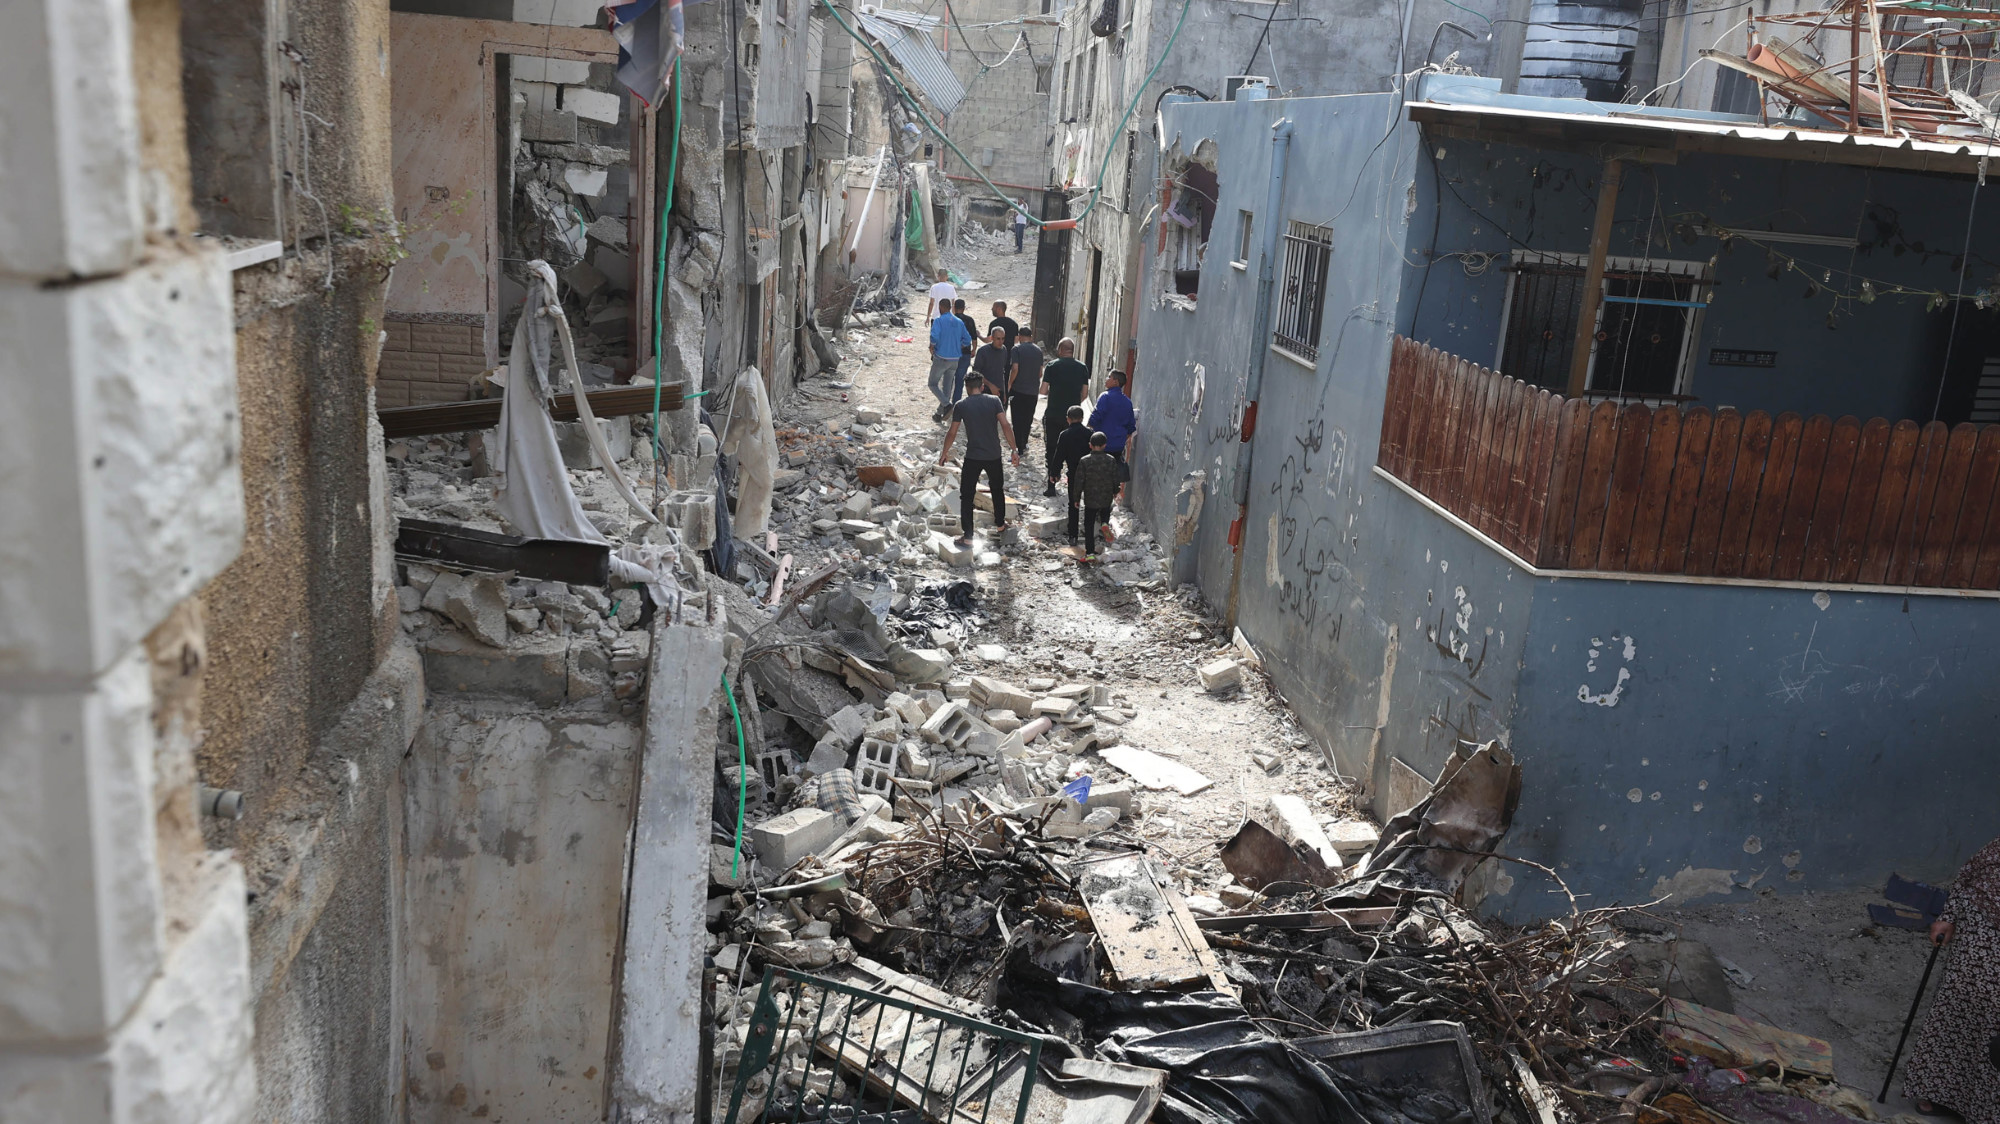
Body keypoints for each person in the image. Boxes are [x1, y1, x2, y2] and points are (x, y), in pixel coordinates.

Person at [1903, 836, 2000, 1123]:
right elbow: (1973, 871)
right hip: (1981, 929)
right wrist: (1949, 916)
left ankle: (1984, 1109)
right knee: (1958, 1007)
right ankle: (1940, 1091)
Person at [937, 373, 1019, 545]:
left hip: (973, 456)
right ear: (982, 386)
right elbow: (1005, 425)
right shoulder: (994, 401)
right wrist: (1014, 449)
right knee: (997, 490)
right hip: (994, 455)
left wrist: (944, 452)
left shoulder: (961, 405)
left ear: (967, 389)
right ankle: (1000, 526)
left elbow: (952, 432)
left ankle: (968, 537)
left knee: (967, 496)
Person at [1040, 337, 1091, 496]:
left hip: (1054, 414)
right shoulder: (1082, 368)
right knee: (1073, 450)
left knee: (1052, 449)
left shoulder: (1052, 366)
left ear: (1060, 349)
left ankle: (1051, 485)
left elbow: (1042, 390)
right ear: (1072, 350)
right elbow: (1084, 395)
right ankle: (1073, 488)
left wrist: (1055, 394)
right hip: (1073, 417)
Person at [1090, 370, 1137, 500]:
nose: (1106, 379)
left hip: (1102, 445)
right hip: (1117, 446)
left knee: (1098, 475)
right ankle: (1108, 502)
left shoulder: (1105, 397)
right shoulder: (1127, 402)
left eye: (1109, 377)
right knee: (1112, 475)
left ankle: (1096, 502)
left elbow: (1095, 418)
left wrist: (1093, 431)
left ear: (1115, 381)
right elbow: (1131, 426)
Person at [1076, 432, 1123, 560]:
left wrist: (1076, 498)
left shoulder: (1084, 461)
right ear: (1105, 445)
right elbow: (1115, 478)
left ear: (1090, 445)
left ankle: (1090, 552)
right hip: (1106, 495)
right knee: (1105, 511)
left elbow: (1079, 481)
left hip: (1090, 497)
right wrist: (1115, 491)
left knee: (1089, 524)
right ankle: (1104, 523)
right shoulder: (1111, 460)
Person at [1052, 405, 1093, 543]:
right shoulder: (1089, 434)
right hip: (1088, 474)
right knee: (1089, 503)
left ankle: (1073, 535)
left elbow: (1059, 456)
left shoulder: (1064, 435)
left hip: (1074, 474)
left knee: (1073, 503)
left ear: (1068, 419)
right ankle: (1089, 533)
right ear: (1082, 418)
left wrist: (1055, 473)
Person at [927, 297, 973, 422]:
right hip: (955, 359)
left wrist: (932, 346)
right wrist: (959, 346)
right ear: (950, 307)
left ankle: (947, 405)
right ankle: (938, 414)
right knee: (947, 387)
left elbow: (934, 337)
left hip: (941, 357)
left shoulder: (938, 321)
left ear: (941, 307)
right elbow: (967, 339)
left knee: (932, 383)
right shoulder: (959, 322)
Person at [1006, 327, 1045, 458]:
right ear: (1031, 336)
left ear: (1019, 336)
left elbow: (1015, 368)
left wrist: (1010, 383)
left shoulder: (1016, 349)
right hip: (1033, 390)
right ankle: (1024, 442)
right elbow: (1040, 373)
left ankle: (1019, 446)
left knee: (1017, 418)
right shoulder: (1038, 351)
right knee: (1028, 418)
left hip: (1018, 389)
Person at [970, 327, 1010, 405]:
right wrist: (991, 386)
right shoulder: (983, 351)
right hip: (984, 390)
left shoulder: (1004, 350)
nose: (1001, 342)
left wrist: (1004, 392)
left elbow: (1002, 372)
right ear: (991, 338)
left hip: (999, 391)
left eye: (1003, 339)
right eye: (998, 339)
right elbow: (976, 373)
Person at [951, 298, 980, 404]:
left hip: (950, 354)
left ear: (954, 308)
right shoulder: (969, 320)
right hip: (965, 354)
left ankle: (945, 404)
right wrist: (974, 349)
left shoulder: (950, 320)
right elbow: (973, 337)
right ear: (964, 308)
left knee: (949, 380)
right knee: (959, 381)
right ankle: (956, 403)